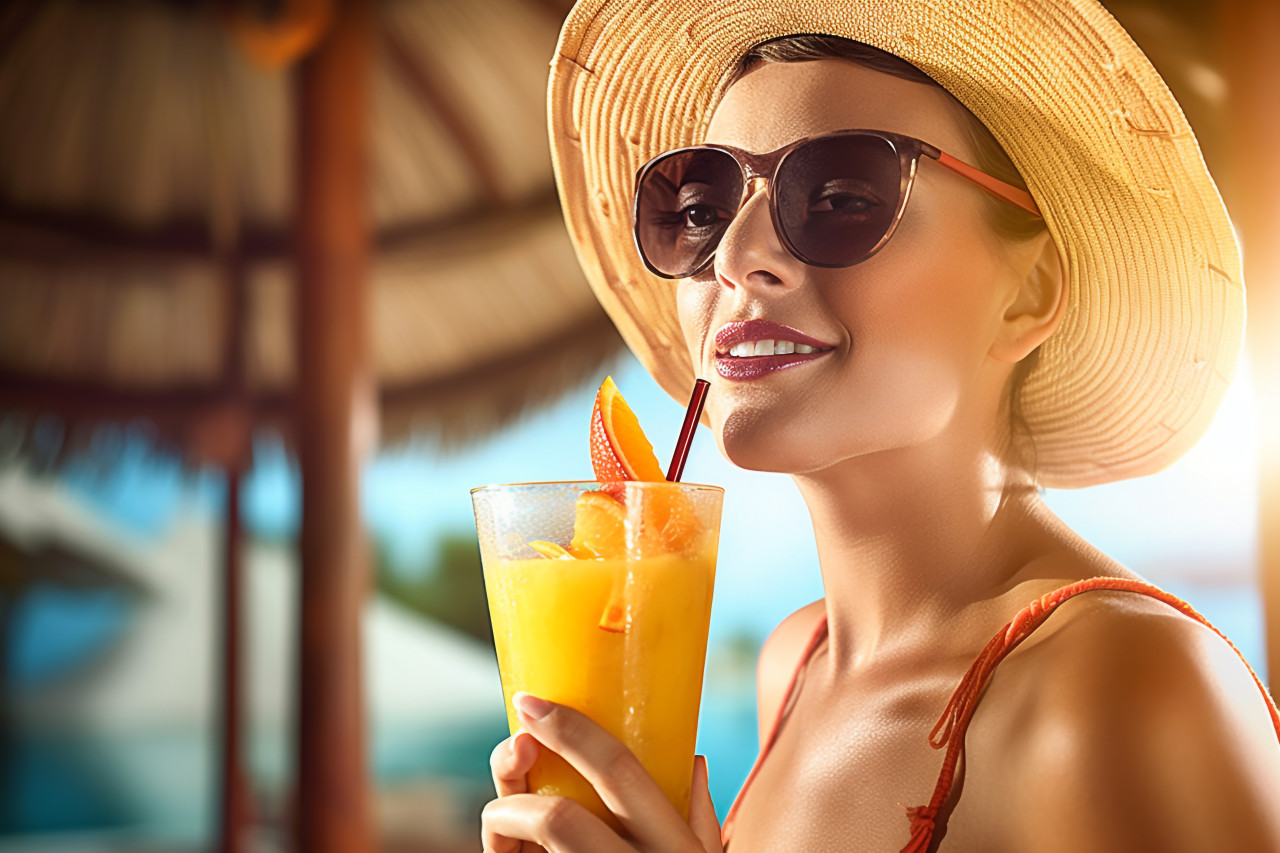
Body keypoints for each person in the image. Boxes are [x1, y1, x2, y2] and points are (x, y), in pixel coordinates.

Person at [482, 2, 1280, 851]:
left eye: (838, 196)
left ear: (1030, 291)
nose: (734, 254)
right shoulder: (796, 662)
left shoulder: (1123, 688)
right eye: (702, 207)